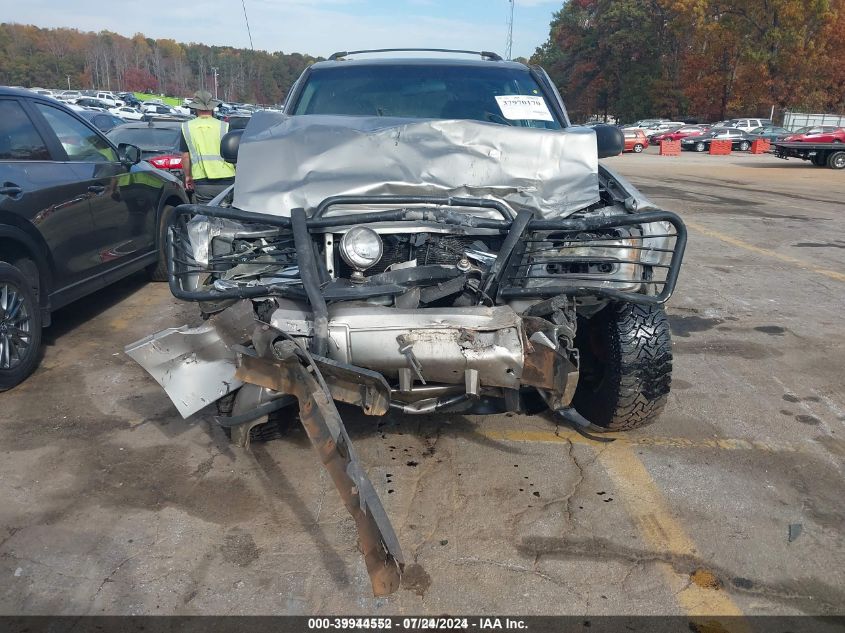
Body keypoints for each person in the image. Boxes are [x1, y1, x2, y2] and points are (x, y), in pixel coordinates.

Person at [180, 90, 236, 203]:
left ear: (195, 108)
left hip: (202, 183)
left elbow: (186, 156)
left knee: (207, 217)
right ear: (212, 107)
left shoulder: (186, 127)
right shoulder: (225, 126)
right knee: (229, 217)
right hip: (227, 181)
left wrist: (188, 176)